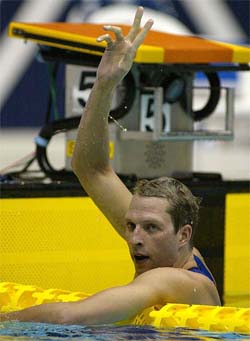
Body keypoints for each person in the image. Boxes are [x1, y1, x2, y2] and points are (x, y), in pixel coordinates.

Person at [0, 6, 220, 325]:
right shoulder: (171, 250)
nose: (135, 238)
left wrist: (6, 320)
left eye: (151, 228)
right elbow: (91, 168)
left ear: (184, 234)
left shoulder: (172, 281)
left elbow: (67, 316)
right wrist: (105, 83)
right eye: (131, 226)